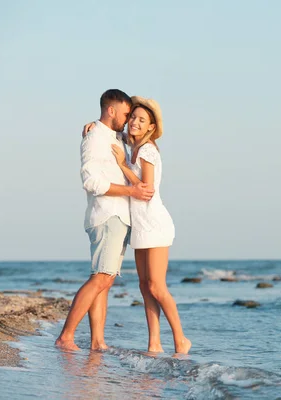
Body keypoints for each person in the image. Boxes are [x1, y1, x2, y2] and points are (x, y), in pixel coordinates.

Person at [84, 96, 191, 354]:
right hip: (140, 225)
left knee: (156, 286)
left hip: (154, 224)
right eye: (133, 117)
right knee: (144, 287)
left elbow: (146, 189)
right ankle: (154, 342)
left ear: (150, 127)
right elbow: (106, 130)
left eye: (141, 120)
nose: (134, 122)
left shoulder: (147, 150)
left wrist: (122, 164)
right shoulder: (127, 144)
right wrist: (91, 125)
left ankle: (181, 338)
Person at [55, 89, 154, 352]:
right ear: (111, 110)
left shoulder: (114, 135)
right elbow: (91, 182)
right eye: (125, 114)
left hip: (118, 216)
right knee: (101, 277)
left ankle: (97, 341)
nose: (128, 120)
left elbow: (134, 135)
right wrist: (131, 191)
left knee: (105, 280)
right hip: (107, 214)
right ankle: (66, 337)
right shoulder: (95, 138)